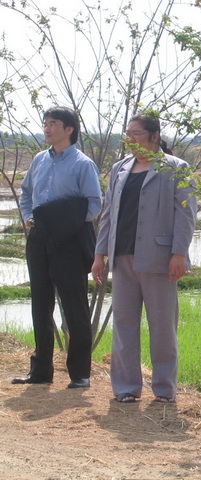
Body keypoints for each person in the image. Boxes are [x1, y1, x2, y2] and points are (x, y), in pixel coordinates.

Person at [91, 112, 196, 404]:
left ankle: (164, 389)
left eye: (136, 134)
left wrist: (179, 253)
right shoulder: (120, 169)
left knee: (162, 327)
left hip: (159, 259)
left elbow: (186, 215)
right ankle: (126, 387)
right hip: (122, 257)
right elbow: (108, 214)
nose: (130, 139)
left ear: (154, 136)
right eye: (128, 134)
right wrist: (99, 254)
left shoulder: (176, 168)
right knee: (124, 325)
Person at [14, 106, 101, 389]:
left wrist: (64, 223)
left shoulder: (83, 164)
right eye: (45, 123)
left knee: (75, 306)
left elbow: (94, 205)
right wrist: (29, 217)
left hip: (69, 241)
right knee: (40, 303)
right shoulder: (39, 160)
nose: (47, 128)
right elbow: (26, 193)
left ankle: (80, 374)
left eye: (53, 123)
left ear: (69, 129)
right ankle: (40, 371)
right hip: (39, 238)